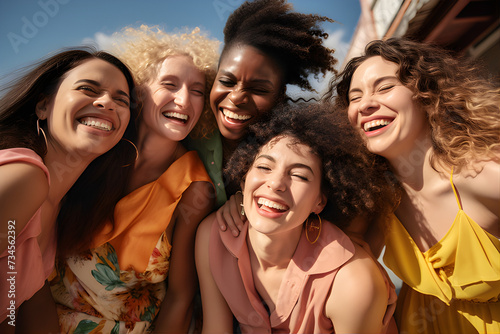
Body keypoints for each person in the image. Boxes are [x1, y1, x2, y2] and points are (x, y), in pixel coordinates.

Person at [49, 25, 219, 333]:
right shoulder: (97, 148)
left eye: (197, 90)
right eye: (170, 84)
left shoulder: (194, 189)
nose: (184, 100)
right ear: (138, 90)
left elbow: (180, 298)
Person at [330, 37, 500, 333]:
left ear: (426, 94)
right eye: (355, 97)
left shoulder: (480, 174)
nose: (366, 104)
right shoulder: (375, 199)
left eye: (384, 87)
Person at [196, 102, 400, 333]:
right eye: (264, 167)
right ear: (244, 178)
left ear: (320, 201)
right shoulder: (214, 236)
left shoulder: (352, 282)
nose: (275, 184)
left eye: (299, 176)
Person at [0, 48, 137, 333]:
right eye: (88, 88)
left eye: (120, 100)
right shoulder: (25, 175)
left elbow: (17, 302)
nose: (107, 103)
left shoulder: (59, 204)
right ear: (43, 106)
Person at [185, 0, 337, 212]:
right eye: (227, 82)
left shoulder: (295, 153)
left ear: (279, 97)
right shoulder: (188, 130)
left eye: (258, 89)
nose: (237, 97)